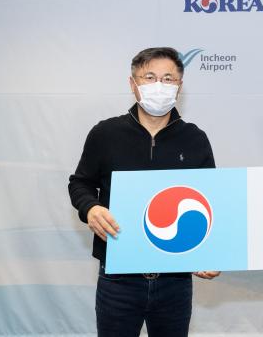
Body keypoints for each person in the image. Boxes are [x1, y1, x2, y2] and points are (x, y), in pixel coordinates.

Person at [68, 47, 219, 337]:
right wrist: (91, 208)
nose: (159, 85)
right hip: (118, 277)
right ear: (132, 83)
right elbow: (80, 183)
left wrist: (210, 253)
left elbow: (211, 201)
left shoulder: (195, 139)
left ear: (180, 86)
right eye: (149, 77)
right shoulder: (105, 134)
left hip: (175, 279)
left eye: (168, 78)